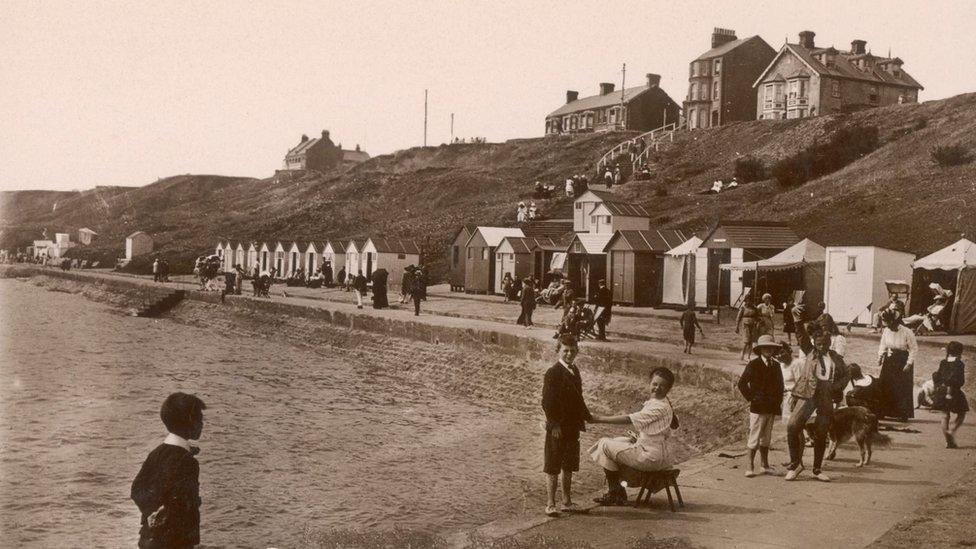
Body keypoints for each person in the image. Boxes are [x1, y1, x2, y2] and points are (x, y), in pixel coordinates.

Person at [588, 367, 678, 506]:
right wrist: (640, 438)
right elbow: (661, 430)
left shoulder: (659, 407)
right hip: (659, 453)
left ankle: (615, 493)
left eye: (662, 386)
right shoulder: (664, 402)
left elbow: (629, 419)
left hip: (651, 457)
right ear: (650, 383)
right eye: (654, 384)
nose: (657, 388)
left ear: (668, 389)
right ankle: (618, 491)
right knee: (618, 441)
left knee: (604, 444)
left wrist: (598, 418)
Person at [131, 392, 206, 549]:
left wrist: (154, 511)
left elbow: (136, 490)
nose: (202, 423)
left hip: (149, 538)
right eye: (200, 418)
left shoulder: (157, 453)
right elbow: (182, 507)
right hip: (174, 542)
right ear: (190, 421)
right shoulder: (187, 462)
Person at [784, 310, 849, 482]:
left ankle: (817, 469)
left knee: (821, 432)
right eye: (819, 344)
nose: (822, 347)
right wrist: (796, 318)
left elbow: (846, 374)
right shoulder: (810, 351)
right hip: (808, 393)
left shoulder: (835, 357)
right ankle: (795, 464)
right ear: (814, 342)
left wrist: (836, 387)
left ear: (830, 343)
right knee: (792, 426)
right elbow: (800, 335)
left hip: (826, 394)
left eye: (826, 344)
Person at [541, 335, 592, 516]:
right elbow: (547, 402)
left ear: (577, 350)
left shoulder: (575, 370)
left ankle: (567, 502)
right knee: (553, 466)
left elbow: (579, 398)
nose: (569, 354)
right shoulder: (553, 373)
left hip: (572, 427)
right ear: (559, 351)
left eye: (572, 350)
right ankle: (550, 504)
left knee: (568, 466)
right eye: (565, 350)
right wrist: (554, 425)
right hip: (557, 428)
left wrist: (587, 416)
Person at [738, 335, 786, 477]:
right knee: (754, 436)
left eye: (771, 347)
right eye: (765, 347)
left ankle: (764, 465)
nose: (768, 350)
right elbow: (742, 384)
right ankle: (750, 465)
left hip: (771, 407)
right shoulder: (754, 365)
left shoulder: (776, 365)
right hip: (758, 407)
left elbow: (780, 386)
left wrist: (777, 401)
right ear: (760, 350)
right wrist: (752, 397)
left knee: (766, 437)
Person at [877, 309, 918, 421]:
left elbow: (914, 349)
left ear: (895, 321)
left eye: (890, 324)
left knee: (901, 387)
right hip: (889, 359)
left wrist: (909, 363)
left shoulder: (907, 332)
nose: (889, 327)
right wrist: (880, 357)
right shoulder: (886, 331)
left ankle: (902, 413)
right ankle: (883, 411)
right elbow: (883, 344)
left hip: (903, 361)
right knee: (885, 384)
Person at [933, 341, 968, 448]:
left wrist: (938, 387)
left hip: (942, 390)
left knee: (944, 416)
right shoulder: (959, 364)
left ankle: (948, 442)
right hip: (954, 391)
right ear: (960, 352)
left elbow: (936, 375)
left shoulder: (943, 362)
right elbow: (961, 381)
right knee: (962, 413)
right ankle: (952, 430)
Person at [735, 296, 760, 361]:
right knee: (746, 341)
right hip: (745, 325)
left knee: (751, 342)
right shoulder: (743, 308)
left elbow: (757, 317)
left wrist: (758, 323)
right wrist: (737, 326)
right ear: (746, 301)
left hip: (753, 325)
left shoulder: (755, 308)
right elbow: (738, 318)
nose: (749, 302)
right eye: (748, 301)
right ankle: (742, 354)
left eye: (751, 301)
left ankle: (748, 357)